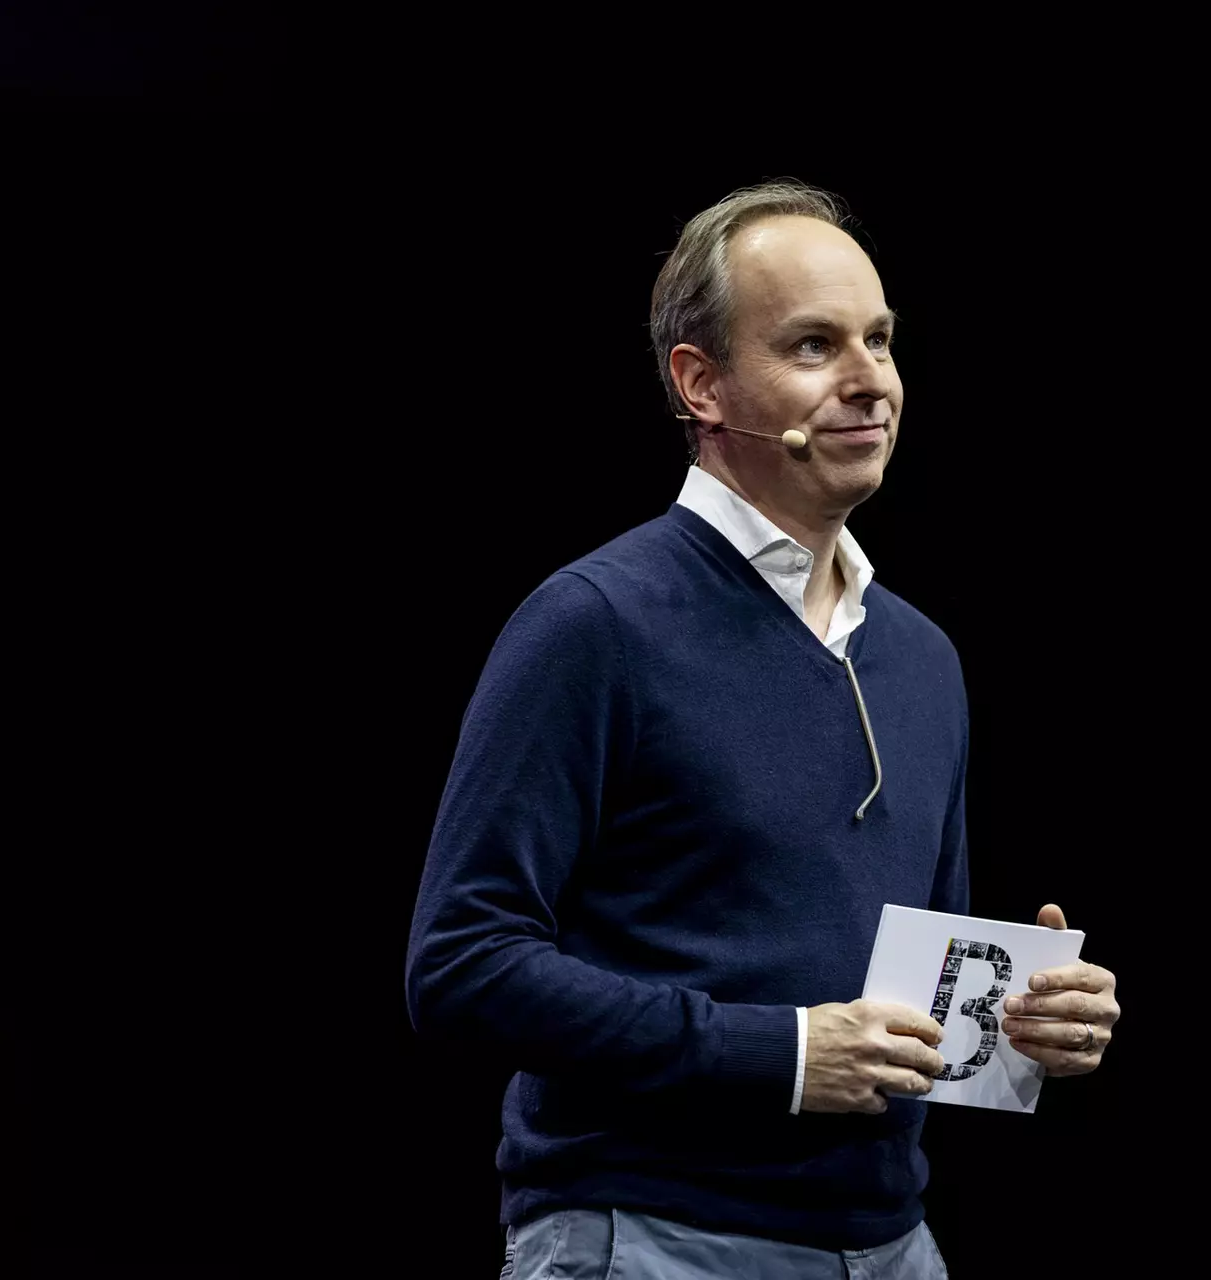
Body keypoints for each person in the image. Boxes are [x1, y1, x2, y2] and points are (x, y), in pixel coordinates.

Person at [404, 180, 1122, 1280]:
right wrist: (780, 1052)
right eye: (812, 344)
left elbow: (904, 1001)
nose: (868, 379)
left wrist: (1019, 1030)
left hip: (890, 1245)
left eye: (879, 340)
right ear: (701, 383)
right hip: (650, 1238)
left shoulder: (922, 656)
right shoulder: (596, 623)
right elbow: (462, 964)